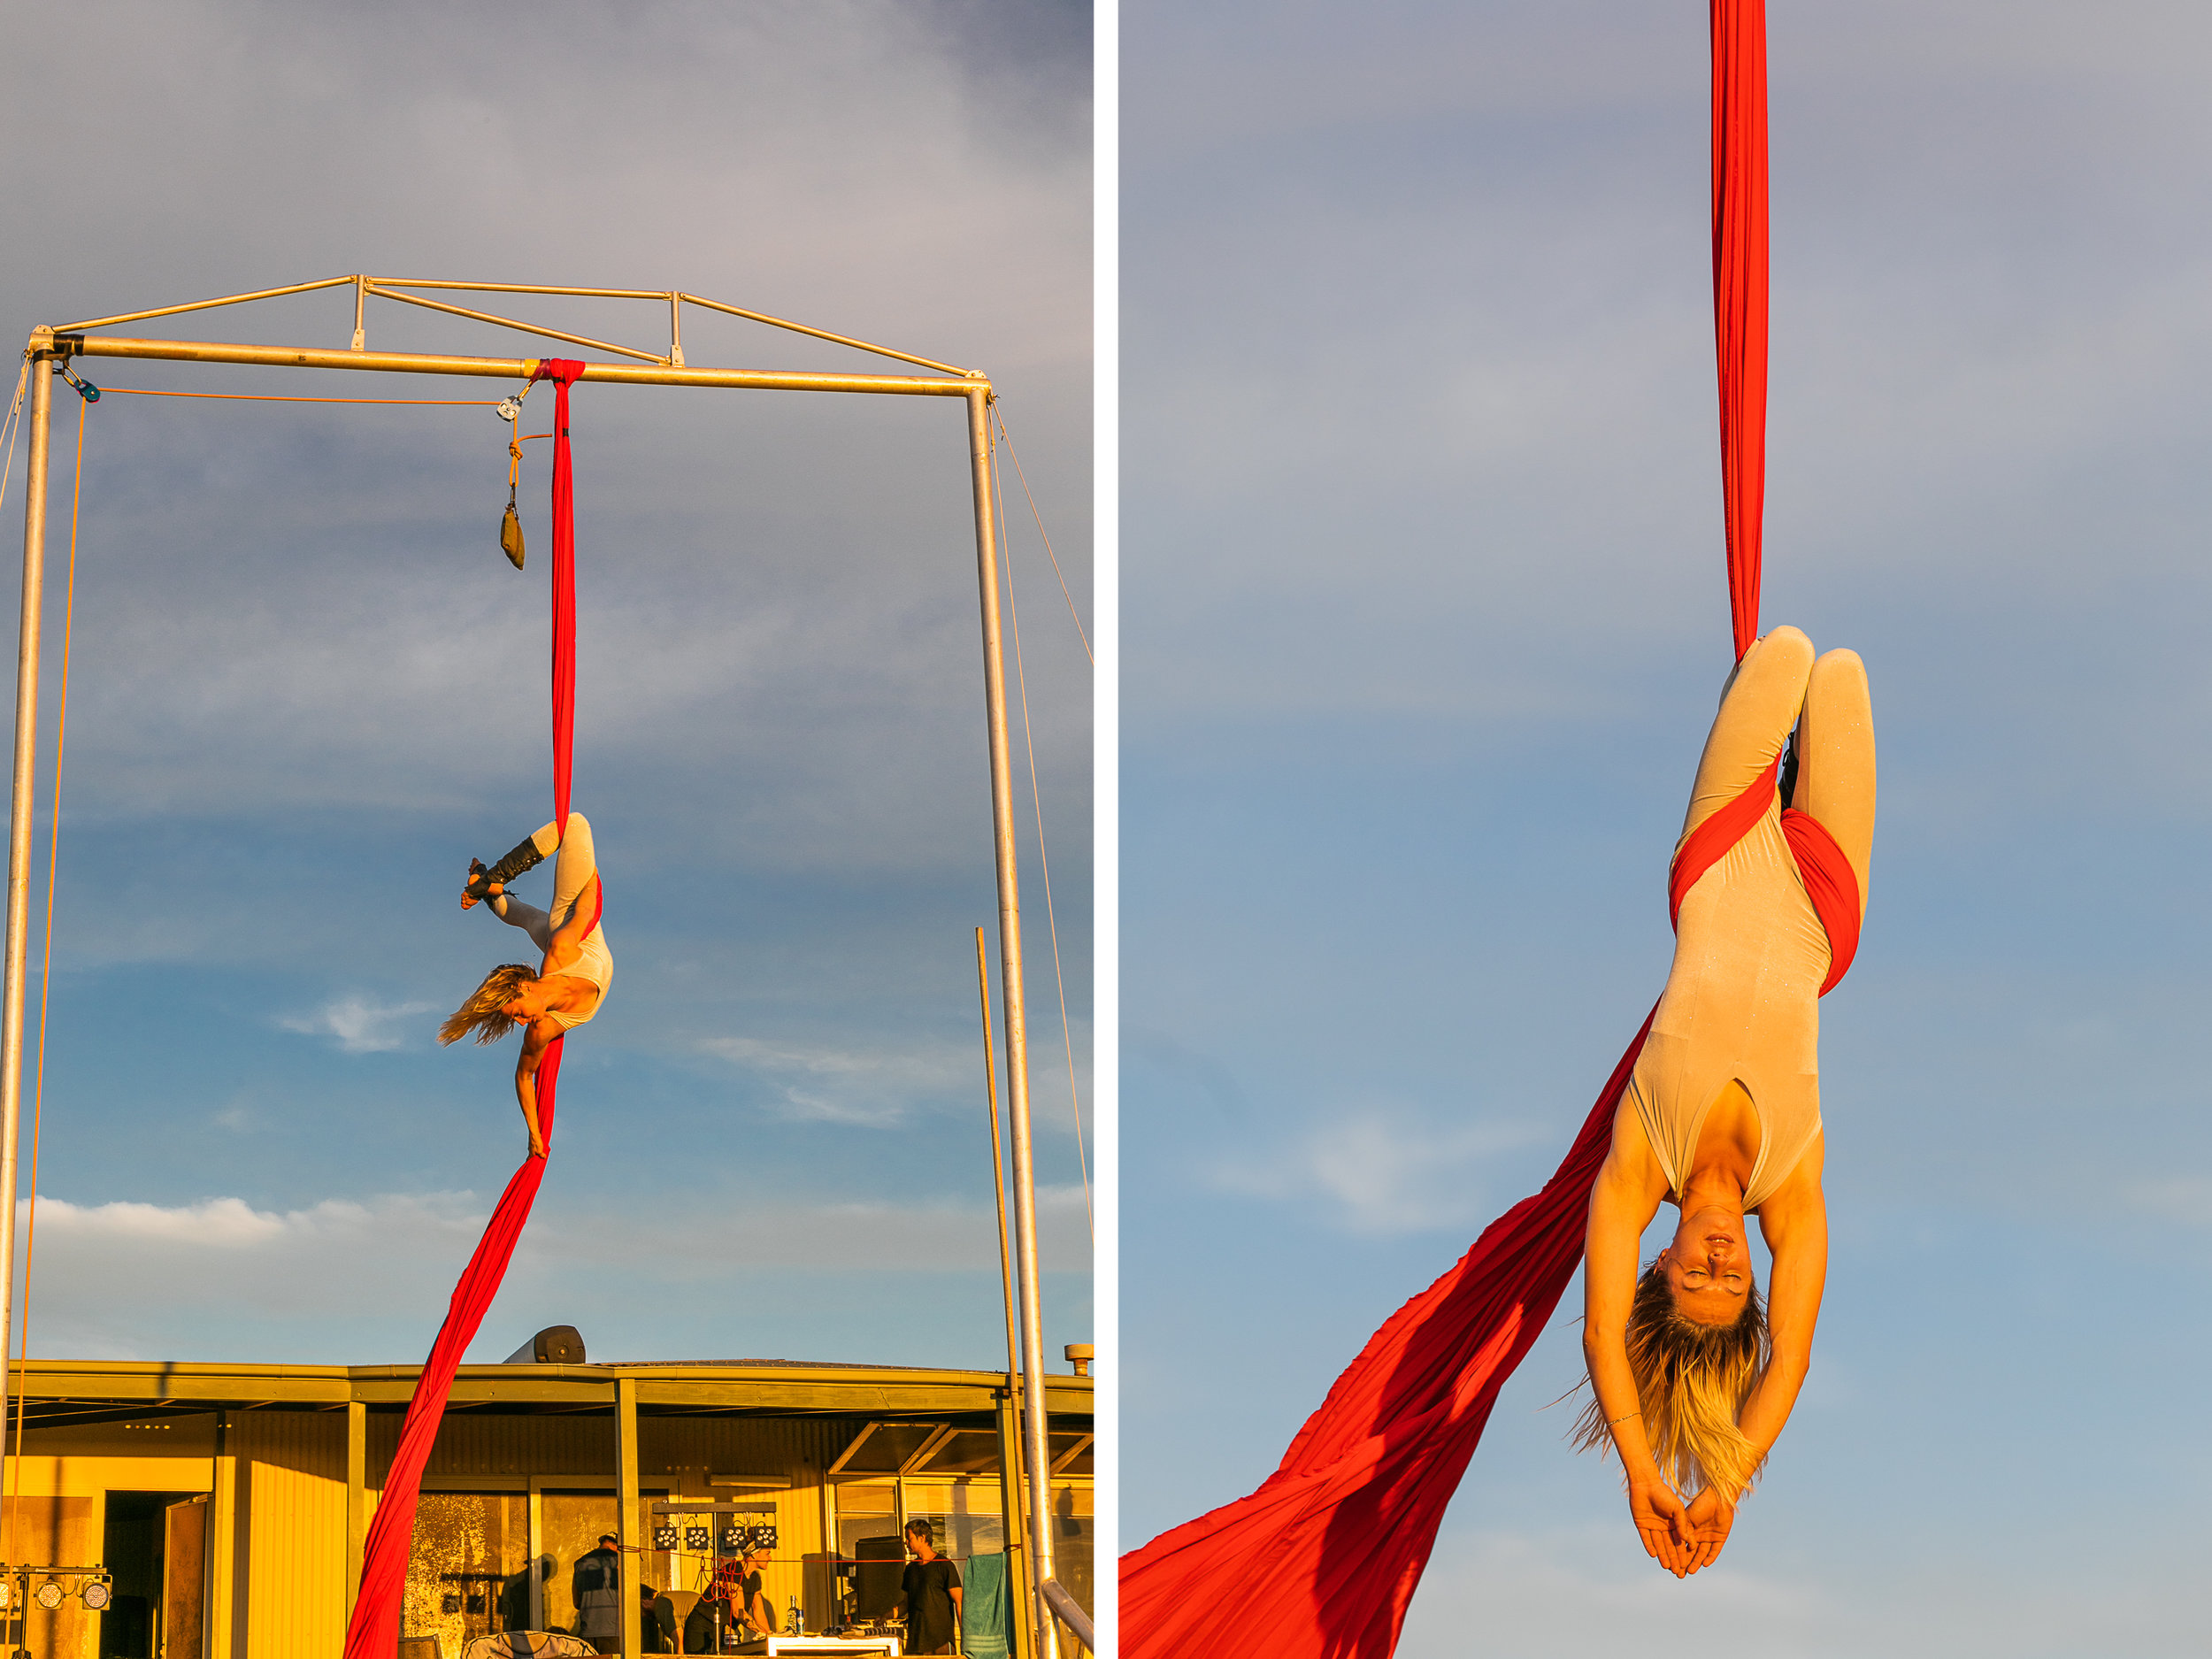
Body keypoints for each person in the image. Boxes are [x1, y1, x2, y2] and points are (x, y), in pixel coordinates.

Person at [1576, 626, 1875, 1578]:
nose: (1717, 1260)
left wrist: (1638, 1472)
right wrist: (1725, 1487)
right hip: (1823, 911)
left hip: (1725, 851)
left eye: (1693, 1278)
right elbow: (1785, 1359)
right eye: (1733, 1282)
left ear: (1656, 1269)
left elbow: (1595, 1334)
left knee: (1783, 651)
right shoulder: (1790, 1191)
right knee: (1844, 677)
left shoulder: (1637, 1164)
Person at [441, 813, 613, 1158]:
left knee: (574, 825)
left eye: (517, 1014)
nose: (522, 1024)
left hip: (572, 924)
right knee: (529, 920)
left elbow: (588, 905)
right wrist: (534, 1135)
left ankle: (491, 879)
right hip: (559, 938)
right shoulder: (542, 1029)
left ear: (524, 989)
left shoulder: (561, 949)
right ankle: (489, 891)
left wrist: (587, 868)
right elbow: (524, 1077)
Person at [898, 1519, 962, 1656]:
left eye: (909, 1539)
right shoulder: (910, 1569)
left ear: (922, 1538)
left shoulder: (945, 1566)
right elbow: (905, 1604)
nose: (906, 1543)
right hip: (915, 1643)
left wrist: (966, 1638)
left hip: (941, 1642)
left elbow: (960, 1603)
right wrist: (884, 1617)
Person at [570, 1532, 624, 1652]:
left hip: (587, 1633)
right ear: (616, 1545)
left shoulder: (579, 1563)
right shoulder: (621, 1562)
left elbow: (576, 1602)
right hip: (614, 1633)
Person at [641, 1581, 678, 1653]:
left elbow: (678, 1639)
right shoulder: (664, 1597)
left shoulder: (661, 1606)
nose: (643, 1616)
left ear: (643, 1603)